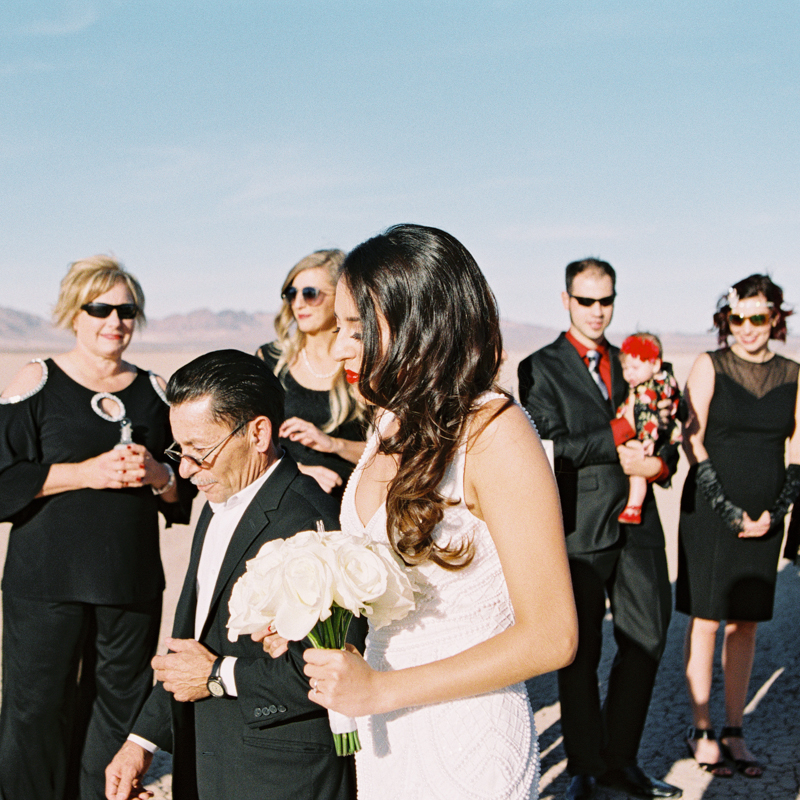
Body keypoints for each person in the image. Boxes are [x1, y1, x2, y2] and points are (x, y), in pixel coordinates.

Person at [280, 224, 577, 800]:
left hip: (466, 740)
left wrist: (380, 691)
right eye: (339, 328)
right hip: (387, 737)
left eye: (357, 330)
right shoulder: (386, 423)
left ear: (423, 324)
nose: (340, 347)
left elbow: (552, 636)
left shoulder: (495, 434)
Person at [105, 350, 360, 800]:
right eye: (179, 451)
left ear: (258, 433)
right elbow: (191, 646)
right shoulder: (218, 500)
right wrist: (142, 740)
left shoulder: (310, 522)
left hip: (279, 777)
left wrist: (219, 675)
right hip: (208, 764)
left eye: (199, 452)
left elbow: (328, 670)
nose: (185, 469)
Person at [0, 256, 193, 800]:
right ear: (74, 312)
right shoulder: (37, 380)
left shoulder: (155, 391)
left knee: (119, 705)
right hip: (45, 580)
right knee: (37, 706)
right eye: (101, 308)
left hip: (128, 581)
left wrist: (160, 474)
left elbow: (184, 491)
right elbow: (3, 478)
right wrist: (85, 472)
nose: (115, 320)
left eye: (126, 310)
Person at [517, 259, 682, 800]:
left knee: (647, 639)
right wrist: (617, 434)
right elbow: (552, 447)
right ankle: (586, 767)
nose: (597, 312)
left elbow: (665, 438)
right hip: (581, 528)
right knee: (580, 650)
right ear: (565, 300)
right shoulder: (539, 367)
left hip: (639, 527)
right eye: (586, 301)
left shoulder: (635, 358)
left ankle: (621, 761)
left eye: (606, 301)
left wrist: (656, 467)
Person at [678, 275, 800, 779]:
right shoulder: (709, 365)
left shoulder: (794, 373)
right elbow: (692, 438)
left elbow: (797, 446)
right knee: (706, 618)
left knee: (744, 621)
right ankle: (703, 728)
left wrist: (778, 508)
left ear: (775, 317)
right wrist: (727, 508)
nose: (747, 329)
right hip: (711, 508)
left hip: (768, 511)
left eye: (757, 318)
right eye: (737, 319)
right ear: (726, 319)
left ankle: (734, 729)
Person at [257, 249, 365, 498]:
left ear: (342, 297)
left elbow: (390, 455)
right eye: (292, 294)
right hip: (285, 503)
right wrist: (297, 473)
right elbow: (247, 440)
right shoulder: (271, 361)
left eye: (311, 294)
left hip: (348, 509)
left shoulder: (362, 361)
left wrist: (334, 445)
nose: (298, 303)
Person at [615, 333, 680, 525]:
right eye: (626, 368)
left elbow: (648, 418)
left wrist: (648, 441)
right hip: (656, 437)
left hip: (648, 440)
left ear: (655, 364)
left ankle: (634, 506)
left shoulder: (648, 391)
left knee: (637, 466)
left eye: (635, 368)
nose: (629, 374)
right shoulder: (664, 382)